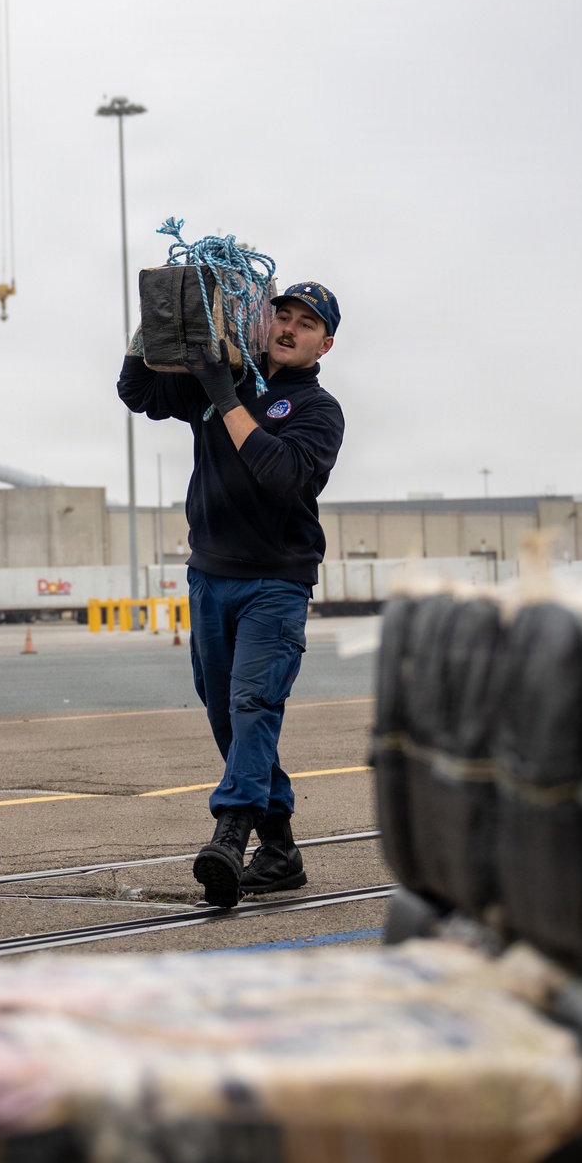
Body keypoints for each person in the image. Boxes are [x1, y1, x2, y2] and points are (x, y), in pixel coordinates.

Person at [117, 282, 344, 907]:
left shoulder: (319, 409)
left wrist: (222, 395)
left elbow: (281, 474)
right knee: (227, 715)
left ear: (325, 343)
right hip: (209, 575)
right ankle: (281, 851)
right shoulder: (231, 377)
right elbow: (138, 393)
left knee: (252, 705)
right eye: (283, 315)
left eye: (307, 324)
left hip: (276, 580)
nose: (290, 328)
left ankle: (232, 832)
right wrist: (156, 327)